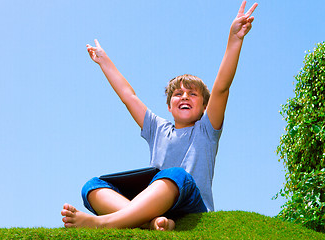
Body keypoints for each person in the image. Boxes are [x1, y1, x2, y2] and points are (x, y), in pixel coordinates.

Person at [61, 1, 258, 231]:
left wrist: (235, 39)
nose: (184, 96)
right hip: (156, 206)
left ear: (205, 106)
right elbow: (128, 96)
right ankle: (151, 222)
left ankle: (106, 223)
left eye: (192, 94)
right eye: (178, 94)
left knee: (175, 175)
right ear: (169, 106)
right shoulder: (158, 129)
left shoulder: (207, 128)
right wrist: (104, 61)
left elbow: (222, 87)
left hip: (191, 204)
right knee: (92, 186)